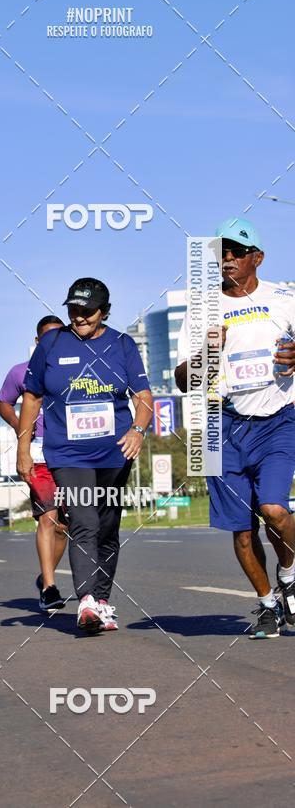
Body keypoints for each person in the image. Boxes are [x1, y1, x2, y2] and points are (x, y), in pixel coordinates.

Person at [175, 218, 295, 639]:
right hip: (219, 423)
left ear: (257, 258)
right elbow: (182, 380)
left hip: (278, 419)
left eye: (237, 252)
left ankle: (290, 571)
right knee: (242, 531)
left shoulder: (285, 297)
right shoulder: (203, 309)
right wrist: (208, 351)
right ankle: (266, 606)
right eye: (221, 253)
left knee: (274, 510)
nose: (227, 259)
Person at [18, 278, 152, 634]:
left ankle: (103, 601)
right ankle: (87, 600)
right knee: (84, 520)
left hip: (113, 453)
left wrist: (137, 430)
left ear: (104, 312)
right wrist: (22, 447)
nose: (78, 317)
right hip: (67, 453)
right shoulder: (51, 343)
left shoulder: (122, 345)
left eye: (87, 311)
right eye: (73, 310)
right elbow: (31, 397)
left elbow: (143, 395)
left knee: (107, 527)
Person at [0, 315, 68, 611]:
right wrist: (21, 428)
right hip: (39, 454)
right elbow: (4, 402)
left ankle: (45, 576)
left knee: (64, 526)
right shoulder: (20, 372)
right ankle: (50, 588)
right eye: (47, 338)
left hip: (69, 453)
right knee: (48, 518)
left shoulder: (74, 368)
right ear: (37, 343)